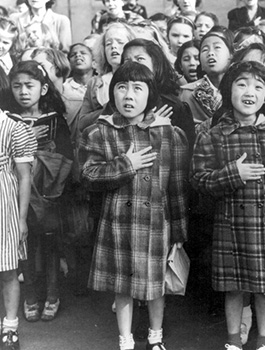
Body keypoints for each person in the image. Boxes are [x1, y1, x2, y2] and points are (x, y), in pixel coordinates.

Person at [191, 60, 265, 350]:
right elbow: (199, 179)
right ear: (229, 91)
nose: (249, 91)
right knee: (233, 287)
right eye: (241, 84)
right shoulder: (213, 135)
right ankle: (233, 341)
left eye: (258, 85)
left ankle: (264, 340)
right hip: (229, 224)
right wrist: (232, 174)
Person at [79, 61, 189, 350]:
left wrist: (178, 232)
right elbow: (88, 176)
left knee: (155, 286)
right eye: (122, 87)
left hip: (154, 222)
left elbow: (176, 187)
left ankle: (156, 337)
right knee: (122, 286)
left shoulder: (168, 135)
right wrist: (126, 164)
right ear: (112, 93)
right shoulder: (99, 132)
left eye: (137, 89)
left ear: (150, 94)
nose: (129, 95)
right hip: (116, 224)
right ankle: (125, 340)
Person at [8, 60, 73, 323]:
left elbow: (66, 156)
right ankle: (31, 295)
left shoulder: (55, 120)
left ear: (43, 89)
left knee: (50, 245)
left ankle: (53, 294)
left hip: (49, 193)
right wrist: (27, 139)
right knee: (24, 245)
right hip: (17, 192)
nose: (23, 91)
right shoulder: (7, 119)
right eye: (17, 86)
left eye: (29, 85)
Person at [0, 66, 37, 350]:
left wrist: (22, 218)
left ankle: (10, 326)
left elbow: (24, 176)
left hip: (5, 205)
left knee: (8, 268)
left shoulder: (12, 128)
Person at [122, 38, 196, 151]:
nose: (133, 65)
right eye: (127, 61)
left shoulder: (172, 106)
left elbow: (186, 151)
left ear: (155, 64)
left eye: (140, 59)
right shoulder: (118, 101)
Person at [79, 22, 136, 132]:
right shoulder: (95, 83)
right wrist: (110, 108)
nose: (114, 46)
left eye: (120, 42)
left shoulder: (143, 78)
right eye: (108, 44)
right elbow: (82, 123)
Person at [179, 28, 234, 125]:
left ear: (231, 56)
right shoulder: (187, 93)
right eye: (205, 50)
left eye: (217, 47)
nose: (210, 53)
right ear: (201, 63)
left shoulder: (240, 88)